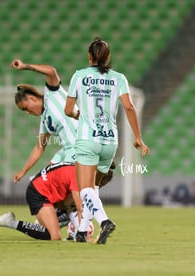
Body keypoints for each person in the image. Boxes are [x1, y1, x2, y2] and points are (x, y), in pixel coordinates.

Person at [65, 38, 150, 244]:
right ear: (108, 57)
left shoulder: (80, 76)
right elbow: (129, 107)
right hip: (110, 141)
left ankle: (104, 221)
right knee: (93, 188)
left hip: (88, 139)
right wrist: (138, 137)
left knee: (84, 189)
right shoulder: (118, 78)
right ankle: (82, 232)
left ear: (89, 56)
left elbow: (68, 110)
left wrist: (78, 115)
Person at [10, 59, 78, 183]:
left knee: (57, 183)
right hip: (68, 149)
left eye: (25, 108)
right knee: (44, 181)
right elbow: (40, 147)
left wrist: (25, 66)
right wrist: (22, 172)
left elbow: (51, 72)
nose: (27, 112)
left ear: (32, 98)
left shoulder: (52, 94)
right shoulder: (45, 122)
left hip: (82, 145)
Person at [0, 162, 82, 241]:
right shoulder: (76, 175)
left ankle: (58, 220)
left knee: (46, 232)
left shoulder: (74, 168)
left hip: (46, 191)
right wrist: (83, 231)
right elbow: (79, 207)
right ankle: (11, 222)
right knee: (54, 236)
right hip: (38, 193)